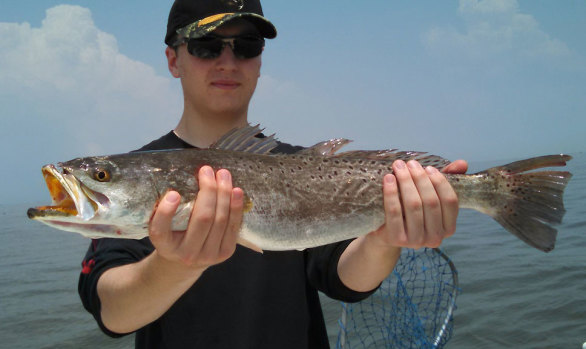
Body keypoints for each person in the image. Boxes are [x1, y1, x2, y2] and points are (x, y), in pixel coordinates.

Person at [78, 0, 468, 348]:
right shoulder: (138, 170)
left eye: (247, 47)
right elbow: (112, 311)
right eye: (205, 46)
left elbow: (344, 279)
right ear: (173, 60)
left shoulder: (304, 168)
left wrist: (385, 239)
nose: (227, 62)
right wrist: (175, 264)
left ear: (260, 61)